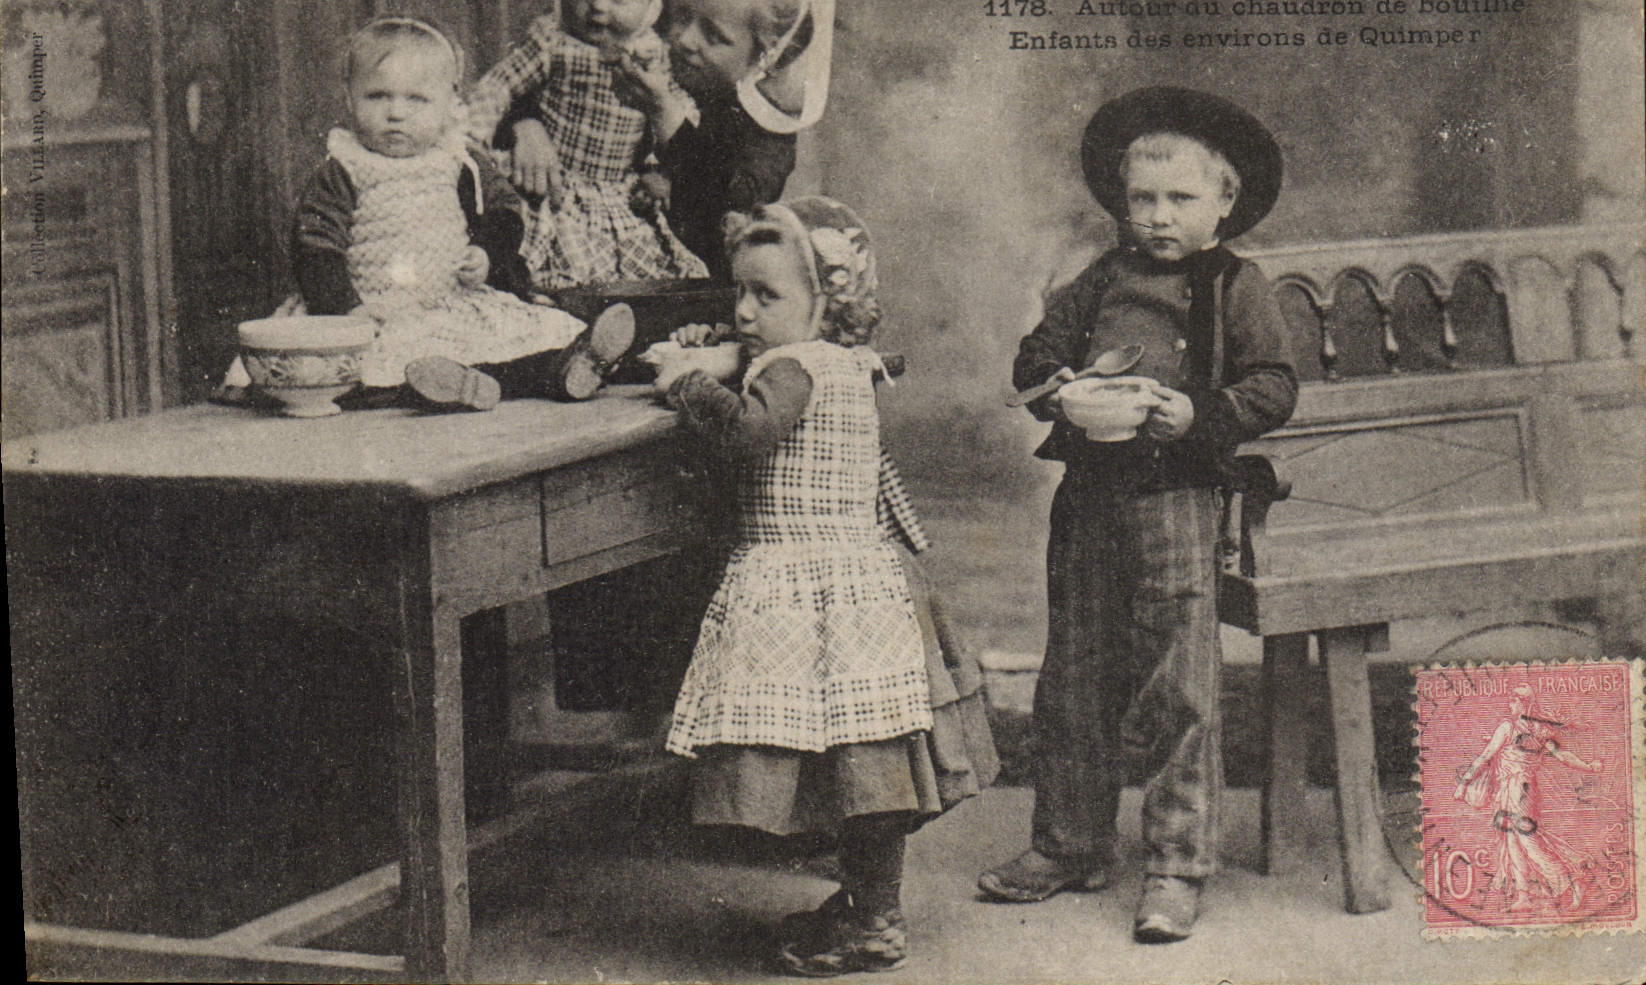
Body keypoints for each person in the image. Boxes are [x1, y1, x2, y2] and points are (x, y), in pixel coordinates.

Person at [977, 87, 1299, 944]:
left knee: (1179, 686)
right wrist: (1061, 389)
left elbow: (1274, 385)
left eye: (1180, 199)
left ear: (1224, 201)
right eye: (1142, 198)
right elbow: (1036, 357)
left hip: (1177, 502)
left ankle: (1178, 863)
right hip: (1088, 500)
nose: (1157, 216)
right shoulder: (1102, 278)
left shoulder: (1237, 284)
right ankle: (1069, 844)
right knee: (1073, 678)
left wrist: (1200, 413)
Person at [653, 197, 993, 976]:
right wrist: (731, 354)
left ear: (824, 301)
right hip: (863, 577)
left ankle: (875, 918)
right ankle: (867, 900)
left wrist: (685, 383)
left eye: (765, 297)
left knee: (855, 761)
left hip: (817, 588)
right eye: (738, 292)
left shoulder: (795, 368)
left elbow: (747, 432)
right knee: (862, 760)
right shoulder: (848, 360)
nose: (743, 311)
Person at [290, 16, 635, 411]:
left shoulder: (460, 159)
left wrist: (487, 253)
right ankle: (442, 386)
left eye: (416, 99)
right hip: (376, 311)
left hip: (448, 301)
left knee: (508, 341)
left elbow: (505, 211)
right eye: (377, 96)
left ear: (450, 104)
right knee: (365, 368)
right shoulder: (344, 167)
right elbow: (315, 246)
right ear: (349, 97)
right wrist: (346, 309)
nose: (396, 113)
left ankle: (562, 369)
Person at [465, 0, 709, 291]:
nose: (598, 5)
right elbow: (499, 85)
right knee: (551, 263)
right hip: (559, 182)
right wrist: (472, 137)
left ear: (652, 8)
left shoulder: (655, 57)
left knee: (639, 271)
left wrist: (661, 169)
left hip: (618, 192)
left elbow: (674, 112)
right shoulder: (555, 45)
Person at [1453, 683, 1604, 911]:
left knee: (1527, 840)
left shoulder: (1508, 727)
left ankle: (1572, 882)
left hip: (1518, 789)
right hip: (1513, 789)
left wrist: (1464, 783)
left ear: (1524, 704)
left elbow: (1485, 756)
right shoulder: (1540, 730)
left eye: (1513, 701)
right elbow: (1562, 755)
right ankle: (1523, 896)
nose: (1510, 705)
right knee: (1512, 841)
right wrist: (1588, 766)